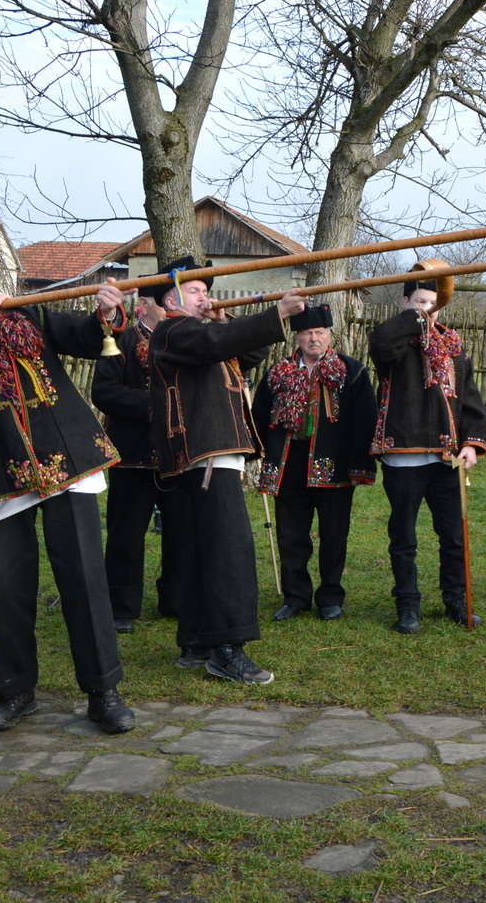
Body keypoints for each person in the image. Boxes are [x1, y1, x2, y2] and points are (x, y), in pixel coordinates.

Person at [0, 244, 135, 734]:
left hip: (67, 464)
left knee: (83, 580)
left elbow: (86, 335)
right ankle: (15, 692)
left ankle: (104, 691)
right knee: (9, 589)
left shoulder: (29, 316)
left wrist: (106, 312)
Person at [147, 258, 307, 683]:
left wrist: (224, 318)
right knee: (229, 552)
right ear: (169, 299)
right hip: (204, 453)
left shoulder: (203, 333)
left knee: (204, 550)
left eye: (205, 291)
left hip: (216, 453)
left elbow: (247, 352)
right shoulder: (172, 331)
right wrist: (277, 313)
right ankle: (227, 648)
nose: (204, 296)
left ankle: (198, 641)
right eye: (196, 291)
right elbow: (216, 344)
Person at [368, 267, 486, 634]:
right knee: (403, 536)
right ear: (405, 303)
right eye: (419, 302)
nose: (427, 311)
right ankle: (408, 605)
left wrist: (471, 442)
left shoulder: (452, 342)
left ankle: (455, 599)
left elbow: (468, 395)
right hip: (402, 453)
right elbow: (380, 345)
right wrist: (412, 320)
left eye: (433, 305)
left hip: (447, 458)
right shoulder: (394, 339)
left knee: (453, 534)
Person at [253, 302, 377, 622]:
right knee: (291, 535)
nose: (313, 338)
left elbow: (365, 421)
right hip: (288, 464)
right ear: (296, 338)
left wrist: (359, 466)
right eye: (306, 333)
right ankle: (296, 597)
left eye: (319, 332)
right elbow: (259, 417)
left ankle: (330, 597)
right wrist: (258, 454)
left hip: (334, 464)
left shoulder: (351, 372)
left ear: (329, 336)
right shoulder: (278, 373)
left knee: (334, 534)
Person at [92, 295, 185, 632]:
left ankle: (176, 599)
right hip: (132, 454)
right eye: (165, 306)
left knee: (181, 530)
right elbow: (103, 391)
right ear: (145, 304)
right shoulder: (120, 340)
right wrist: (155, 405)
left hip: (177, 453)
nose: (171, 312)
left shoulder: (184, 339)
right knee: (126, 533)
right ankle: (120, 606)